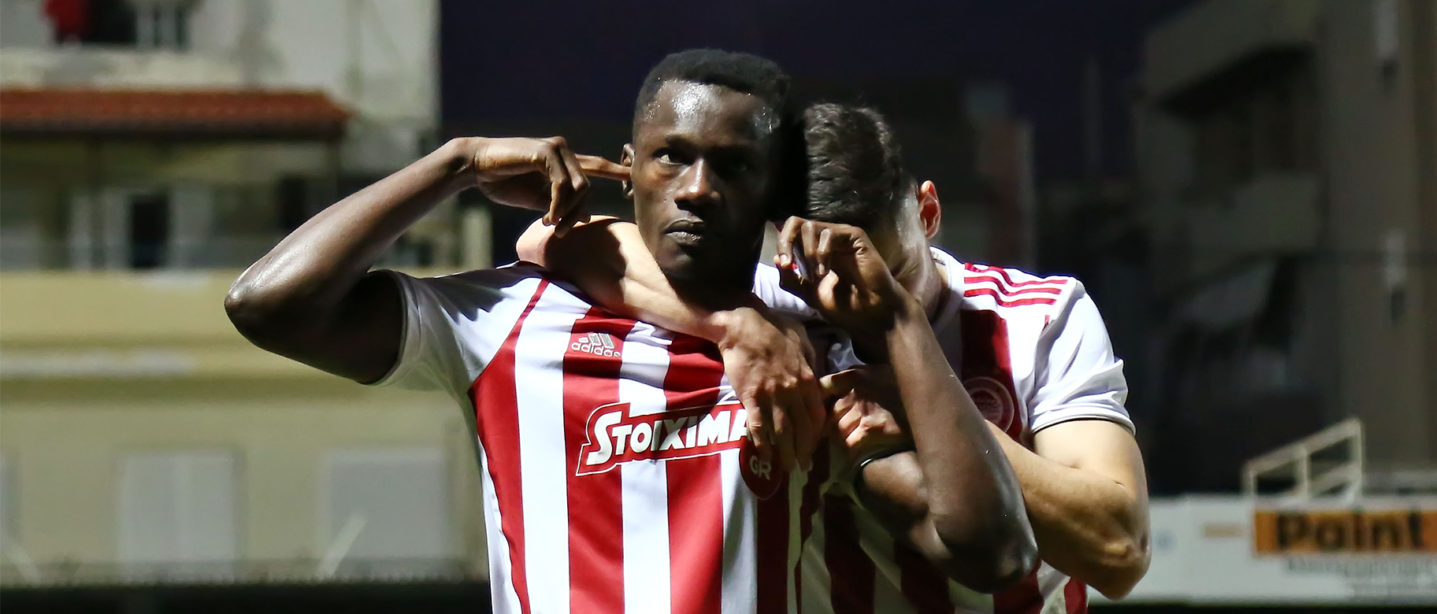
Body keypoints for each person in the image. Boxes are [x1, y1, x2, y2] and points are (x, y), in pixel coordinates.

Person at [224, 49, 1029, 613]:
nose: (697, 188)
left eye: (734, 166)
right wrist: (456, 164)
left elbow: (990, 554)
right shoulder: (510, 319)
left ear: (770, 193)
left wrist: (898, 320)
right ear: (627, 167)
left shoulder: (802, 352)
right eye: (671, 157)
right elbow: (267, 304)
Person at [523, 103, 1150, 612]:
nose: (857, 302)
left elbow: (1119, 551)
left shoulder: (1037, 316)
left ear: (928, 213)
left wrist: (925, 407)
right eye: (826, 279)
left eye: (889, 275)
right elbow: (550, 235)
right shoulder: (780, 301)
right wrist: (739, 325)